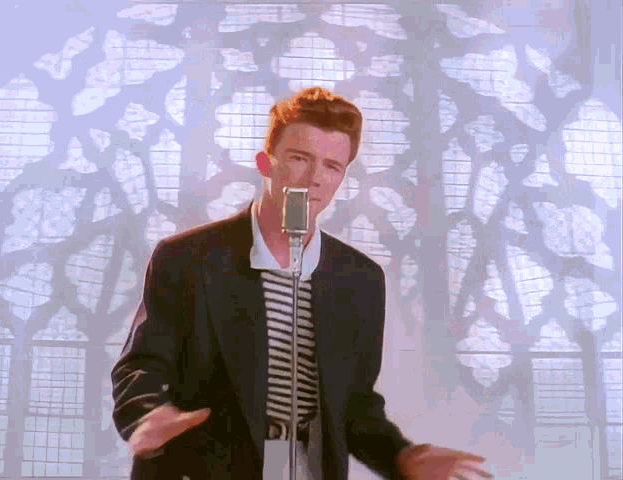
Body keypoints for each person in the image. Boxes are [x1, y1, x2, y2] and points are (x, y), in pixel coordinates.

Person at [111, 87, 493, 480]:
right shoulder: (187, 258)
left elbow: (354, 406)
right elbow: (141, 365)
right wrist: (148, 414)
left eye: (332, 166)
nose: (314, 179)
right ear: (265, 163)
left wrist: (402, 457)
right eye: (299, 158)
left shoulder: (359, 279)